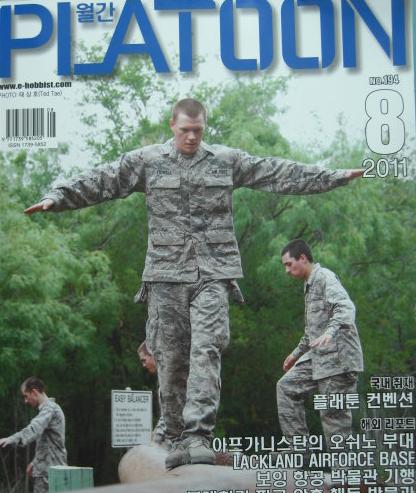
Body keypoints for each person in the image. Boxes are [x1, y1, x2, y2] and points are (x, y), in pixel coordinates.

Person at [25, 98, 363, 469]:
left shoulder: (225, 160)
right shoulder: (148, 161)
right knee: (170, 357)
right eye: (185, 130)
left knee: (207, 349)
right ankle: (173, 431)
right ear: (172, 126)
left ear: (204, 127)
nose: (191, 137)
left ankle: (199, 435)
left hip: (213, 273)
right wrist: (57, 196)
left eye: (197, 130)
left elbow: (275, 171)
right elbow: (104, 179)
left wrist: (333, 177)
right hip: (165, 275)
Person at [276, 239, 363, 450]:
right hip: (319, 358)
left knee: (334, 417)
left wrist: (330, 332)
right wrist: (295, 354)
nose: (287, 270)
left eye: (289, 264)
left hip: (339, 360)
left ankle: (343, 469)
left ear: (303, 258)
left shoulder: (325, 277)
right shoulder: (309, 284)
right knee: (286, 387)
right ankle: (298, 450)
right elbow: (312, 331)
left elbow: (346, 308)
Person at [0, 377, 67, 493]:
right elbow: (47, 444)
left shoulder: (50, 409)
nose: (25, 401)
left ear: (35, 392)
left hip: (50, 473)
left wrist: (11, 439)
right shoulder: (49, 409)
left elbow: (33, 429)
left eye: (26, 396)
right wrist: (35, 462)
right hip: (50, 471)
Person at [137, 341, 171, 450]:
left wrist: (156, 438)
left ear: (153, 354)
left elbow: (170, 413)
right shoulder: (164, 374)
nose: (143, 365)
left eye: (144, 360)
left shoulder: (169, 375)